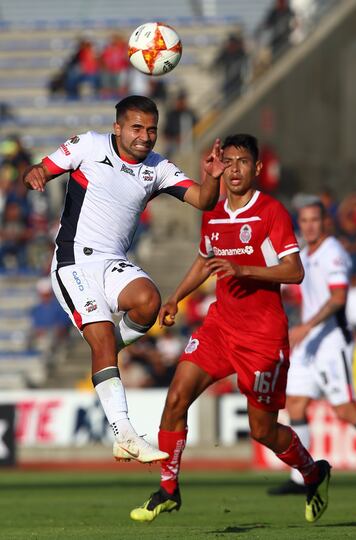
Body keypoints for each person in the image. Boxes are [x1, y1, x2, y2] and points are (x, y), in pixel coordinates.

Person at [130, 134, 330, 524]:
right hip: (220, 327)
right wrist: (175, 298)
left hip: (262, 337)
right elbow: (205, 261)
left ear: (256, 169)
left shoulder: (270, 211)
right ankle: (168, 489)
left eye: (242, 162)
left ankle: (312, 471)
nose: (234, 169)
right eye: (229, 161)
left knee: (263, 431)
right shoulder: (215, 212)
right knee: (176, 398)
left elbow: (295, 270)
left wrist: (244, 269)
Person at [22, 95, 228, 464]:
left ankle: (105, 357)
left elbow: (204, 200)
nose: (145, 136)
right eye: (137, 127)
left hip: (114, 262)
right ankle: (125, 433)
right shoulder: (89, 145)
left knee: (148, 301)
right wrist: (36, 172)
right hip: (74, 263)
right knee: (101, 336)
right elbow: (41, 168)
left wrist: (212, 177)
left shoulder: (158, 167)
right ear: (117, 127)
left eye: (151, 129)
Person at [268, 197, 356, 495]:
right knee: (295, 404)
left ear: (325, 223)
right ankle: (302, 478)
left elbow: (338, 298)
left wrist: (306, 326)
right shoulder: (304, 255)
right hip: (309, 345)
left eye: (314, 220)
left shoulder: (333, 252)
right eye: (304, 220)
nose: (308, 226)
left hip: (332, 342)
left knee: (346, 411)